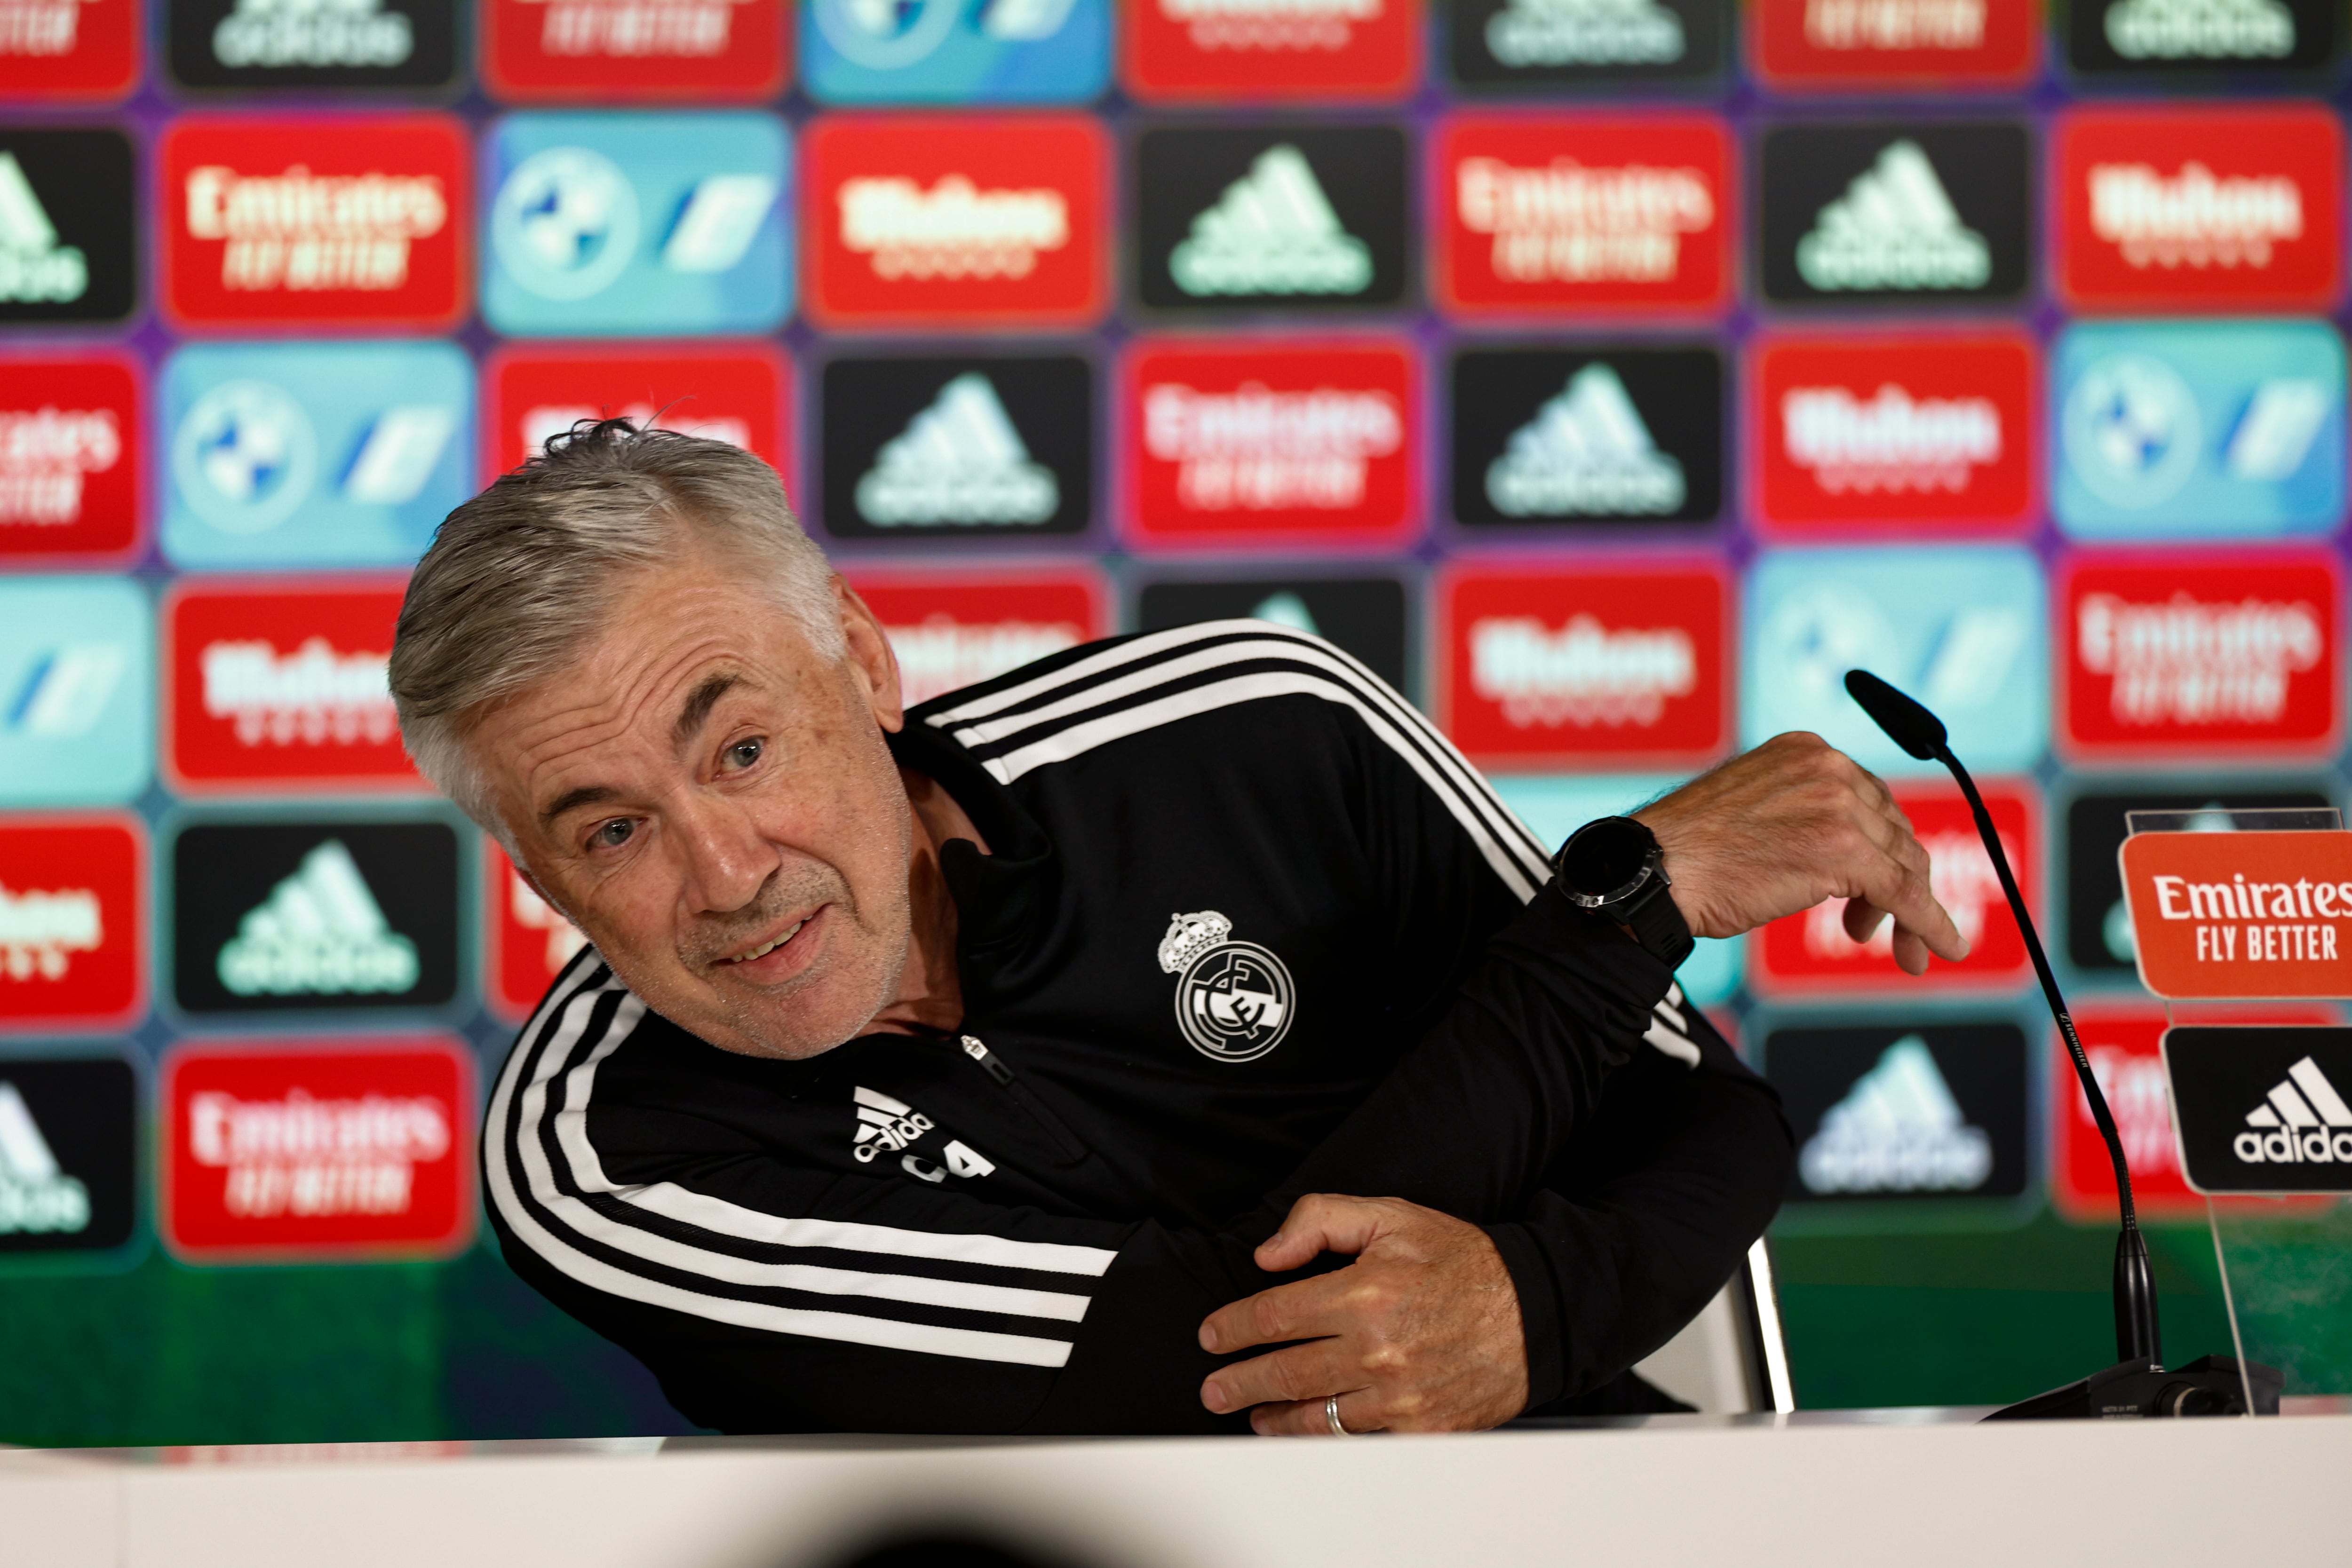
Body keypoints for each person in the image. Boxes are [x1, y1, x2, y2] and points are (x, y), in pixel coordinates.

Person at [389, 421, 1966, 1437]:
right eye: (610, 828)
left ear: (863, 669)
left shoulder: (1254, 726)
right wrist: (1627, 908)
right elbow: (1215, 1376)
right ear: (533, 872)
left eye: (743, 751)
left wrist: (1528, 1312)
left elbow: (1701, 1115)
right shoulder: (600, 1158)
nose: (725, 875)